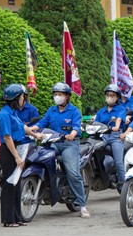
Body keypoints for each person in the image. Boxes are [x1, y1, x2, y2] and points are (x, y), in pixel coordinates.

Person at [30, 83, 90, 217]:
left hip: (69, 144)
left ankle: (82, 206)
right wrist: (30, 130)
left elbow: (76, 126)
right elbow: (42, 123)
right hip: (53, 143)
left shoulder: (74, 111)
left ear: (67, 96)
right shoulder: (52, 110)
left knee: (73, 173)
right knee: (41, 159)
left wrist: (72, 134)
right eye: (55, 94)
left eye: (60, 94)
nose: (57, 97)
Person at [0, 84, 41, 227]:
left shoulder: (13, 112)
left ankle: (17, 217)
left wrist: (35, 135)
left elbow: (23, 127)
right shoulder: (3, 115)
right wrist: (16, 157)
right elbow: (7, 137)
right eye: (22, 97)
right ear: (15, 98)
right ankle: (8, 220)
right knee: (9, 185)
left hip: (17, 149)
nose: (24, 100)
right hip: (9, 151)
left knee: (16, 184)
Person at [93, 84, 126, 190]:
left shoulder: (121, 109)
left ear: (117, 98)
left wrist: (116, 126)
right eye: (108, 95)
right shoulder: (101, 111)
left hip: (115, 136)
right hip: (103, 136)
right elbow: (95, 123)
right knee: (93, 149)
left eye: (112, 95)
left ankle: (123, 185)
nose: (109, 97)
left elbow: (119, 119)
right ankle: (98, 177)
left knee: (118, 161)